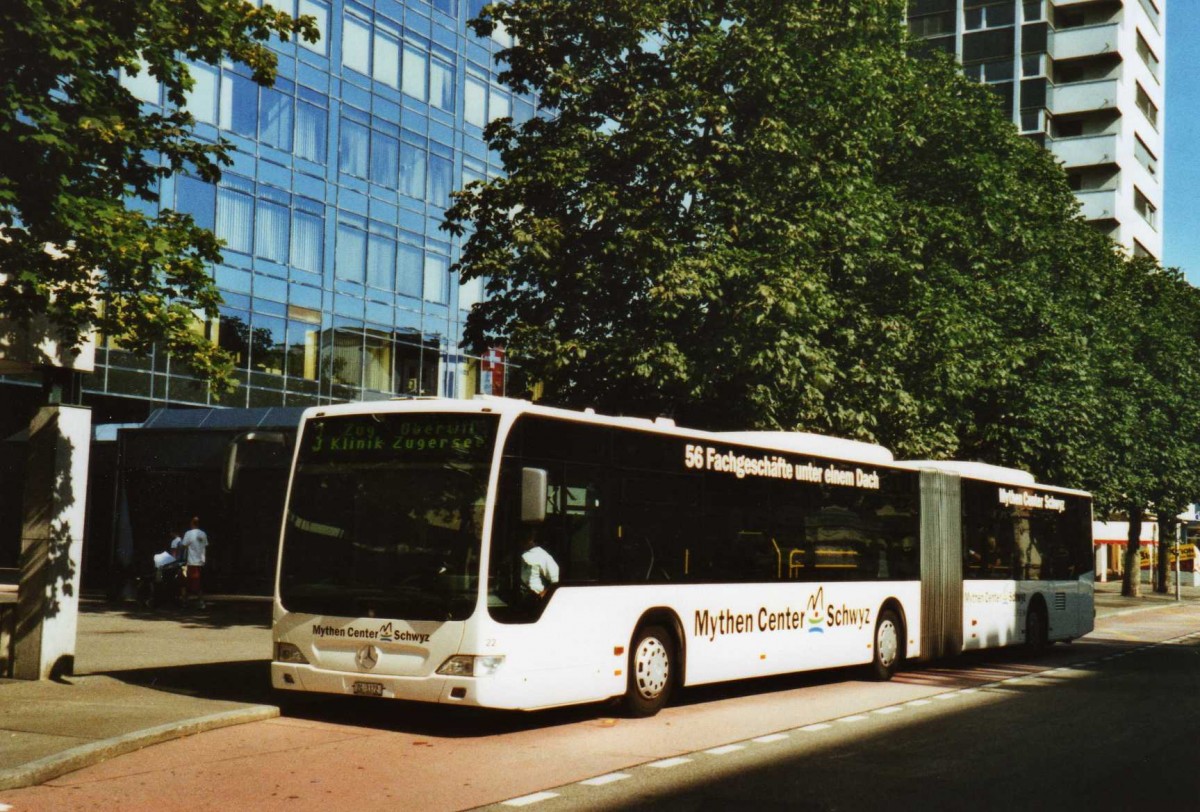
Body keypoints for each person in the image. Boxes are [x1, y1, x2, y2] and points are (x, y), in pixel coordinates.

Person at [519, 526, 559, 600]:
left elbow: (555, 581)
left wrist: (542, 595)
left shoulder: (542, 555)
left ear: (532, 538)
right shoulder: (516, 554)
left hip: (534, 598)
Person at [181, 516, 210, 609]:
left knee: (188, 582)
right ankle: (199, 601)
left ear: (192, 523)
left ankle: (189, 601)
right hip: (201, 561)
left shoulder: (188, 533)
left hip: (192, 562)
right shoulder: (203, 534)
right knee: (199, 582)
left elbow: (184, 545)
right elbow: (205, 546)